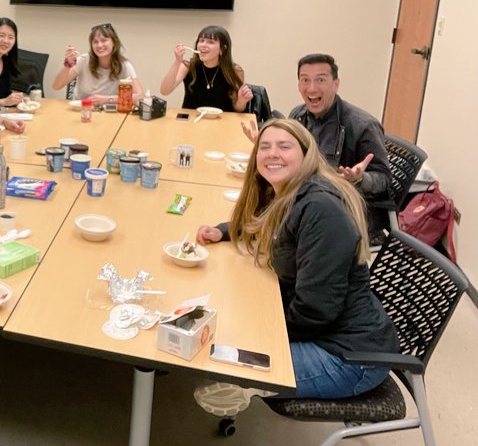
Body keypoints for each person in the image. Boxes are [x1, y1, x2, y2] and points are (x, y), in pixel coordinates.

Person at [192, 119, 398, 417]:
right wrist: (226, 231)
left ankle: (249, 381)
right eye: (265, 147)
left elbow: (316, 310)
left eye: (284, 146)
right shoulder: (292, 193)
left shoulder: (320, 209)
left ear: (306, 154)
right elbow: (269, 224)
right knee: (226, 332)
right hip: (330, 334)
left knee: (219, 357)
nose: (272, 153)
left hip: (349, 357)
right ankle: (251, 374)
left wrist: (263, 334)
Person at [243, 54, 391, 241]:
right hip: (300, 199)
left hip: (339, 212)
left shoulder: (363, 125)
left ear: (335, 84)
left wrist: (360, 178)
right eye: (305, 80)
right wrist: (267, 148)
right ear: (298, 85)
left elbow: (384, 179)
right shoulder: (298, 114)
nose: (312, 88)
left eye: (320, 80)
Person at [159, 25, 252, 112]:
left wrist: (241, 101)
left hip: (222, 122)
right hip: (191, 121)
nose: (203, 45)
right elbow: (165, 91)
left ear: (222, 49)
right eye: (201, 40)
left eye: (210, 42)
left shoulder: (235, 71)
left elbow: (238, 109)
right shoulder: (188, 66)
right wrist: (177, 62)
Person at [52, 23, 143, 106]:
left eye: (104, 40)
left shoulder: (124, 65)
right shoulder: (83, 60)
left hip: (107, 112)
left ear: (114, 42)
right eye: (95, 42)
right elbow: (56, 86)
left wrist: (106, 99)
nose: (99, 45)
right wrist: (68, 64)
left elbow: (139, 96)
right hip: (81, 110)